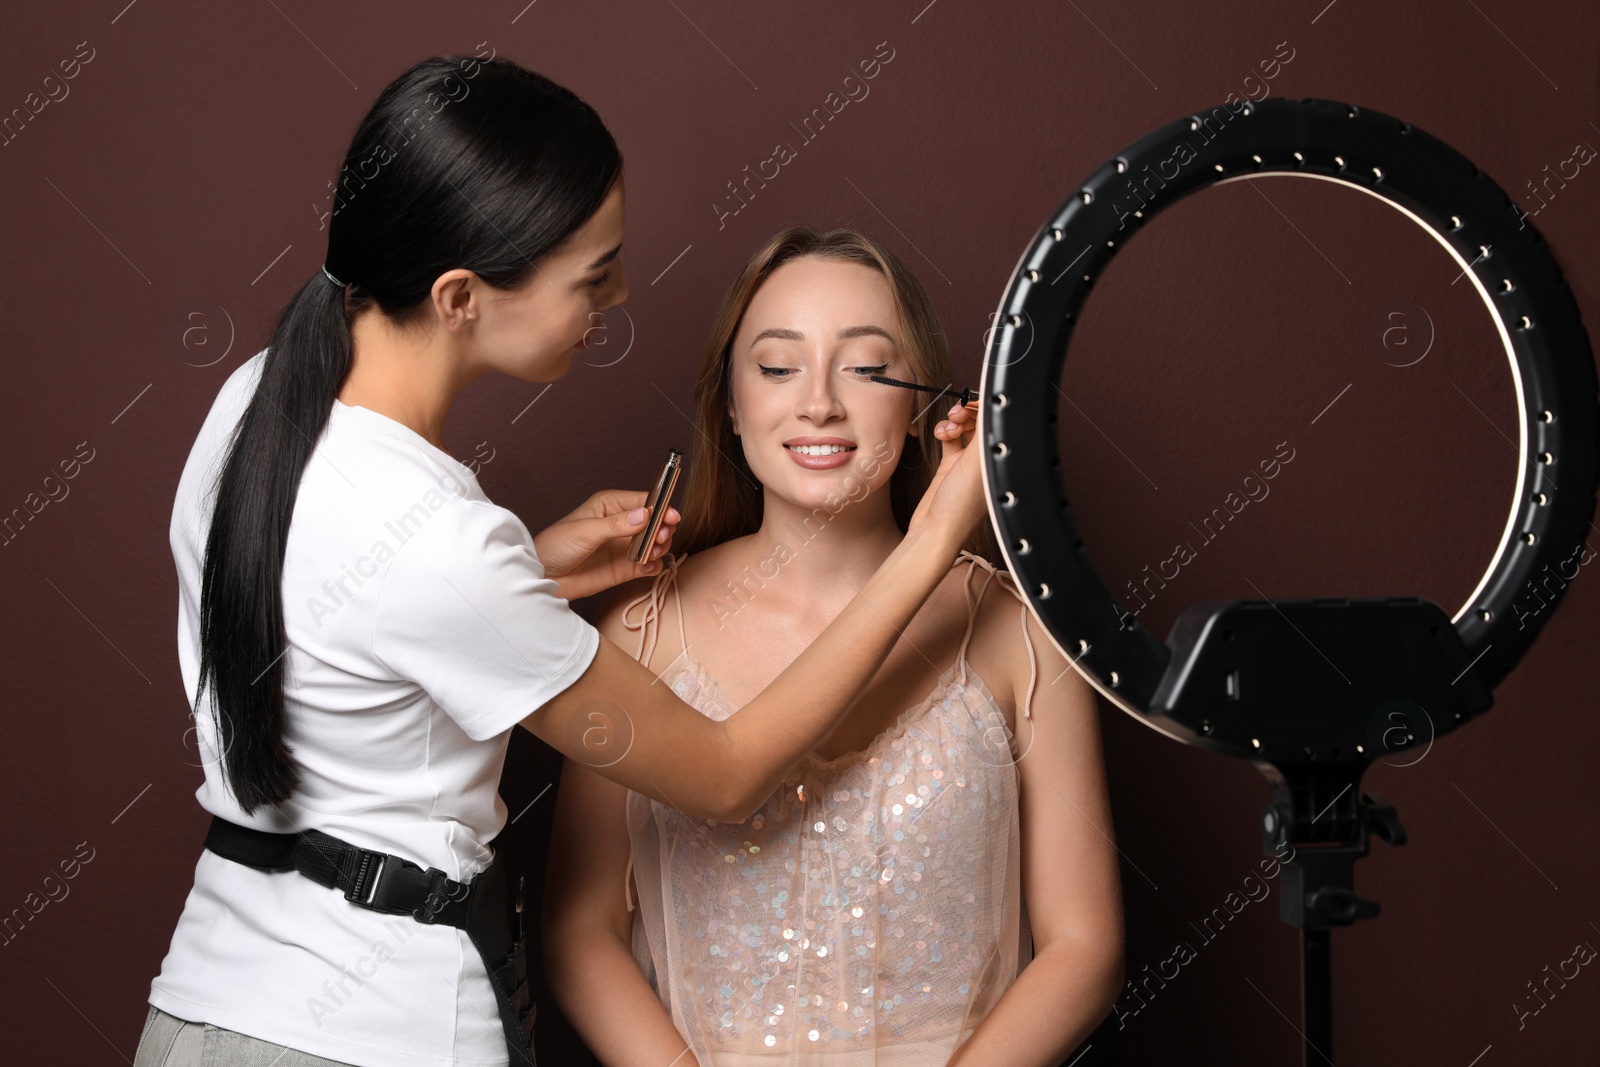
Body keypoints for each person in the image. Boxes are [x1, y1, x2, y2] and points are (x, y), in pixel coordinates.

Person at [135, 57, 987, 1067]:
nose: (618, 295)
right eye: (592, 273)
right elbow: (722, 776)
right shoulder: (446, 544)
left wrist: (527, 576)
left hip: (204, 1011)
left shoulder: (255, 400)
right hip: (366, 1034)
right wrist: (935, 539)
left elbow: (344, 630)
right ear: (459, 296)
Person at [543, 227, 1125, 1066]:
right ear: (730, 403)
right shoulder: (637, 630)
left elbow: (1083, 946)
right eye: (778, 367)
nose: (818, 402)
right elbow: (580, 929)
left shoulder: (1019, 628)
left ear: (926, 404)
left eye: (866, 367)